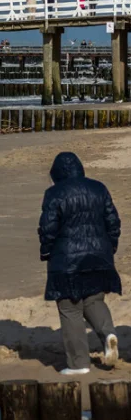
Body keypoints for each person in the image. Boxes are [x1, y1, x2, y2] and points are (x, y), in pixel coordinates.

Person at [38, 152, 121, 375]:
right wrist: (110, 247)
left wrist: (46, 251)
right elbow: (113, 221)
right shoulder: (99, 188)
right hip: (99, 254)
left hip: (66, 259)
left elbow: (48, 228)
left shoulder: (54, 193)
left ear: (56, 173)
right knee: (93, 298)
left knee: (69, 307)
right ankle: (109, 334)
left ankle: (79, 364)